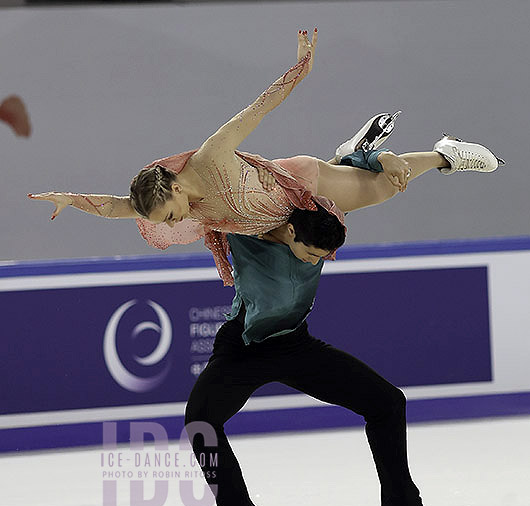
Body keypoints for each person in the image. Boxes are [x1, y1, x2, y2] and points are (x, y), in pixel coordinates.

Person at [28, 29, 502, 286]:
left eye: (170, 215)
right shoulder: (163, 201)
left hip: (300, 186)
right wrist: (70, 199)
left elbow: (259, 107)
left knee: (383, 191)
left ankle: (444, 155)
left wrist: (300, 69)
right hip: (270, 225)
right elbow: (116, 205)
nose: (175, 224)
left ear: (174, 185)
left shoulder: (211, 158)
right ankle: (357, 154)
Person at [185, 164, 455, 506]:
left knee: (386, 402)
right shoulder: (242, 222)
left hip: (295, 343)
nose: (320, 260)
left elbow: (352, 179)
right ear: (292, 232)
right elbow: (165, 202)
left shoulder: (319, 217)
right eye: (314, 254)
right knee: (200, 422)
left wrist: (408, 161)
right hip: (242, 347)